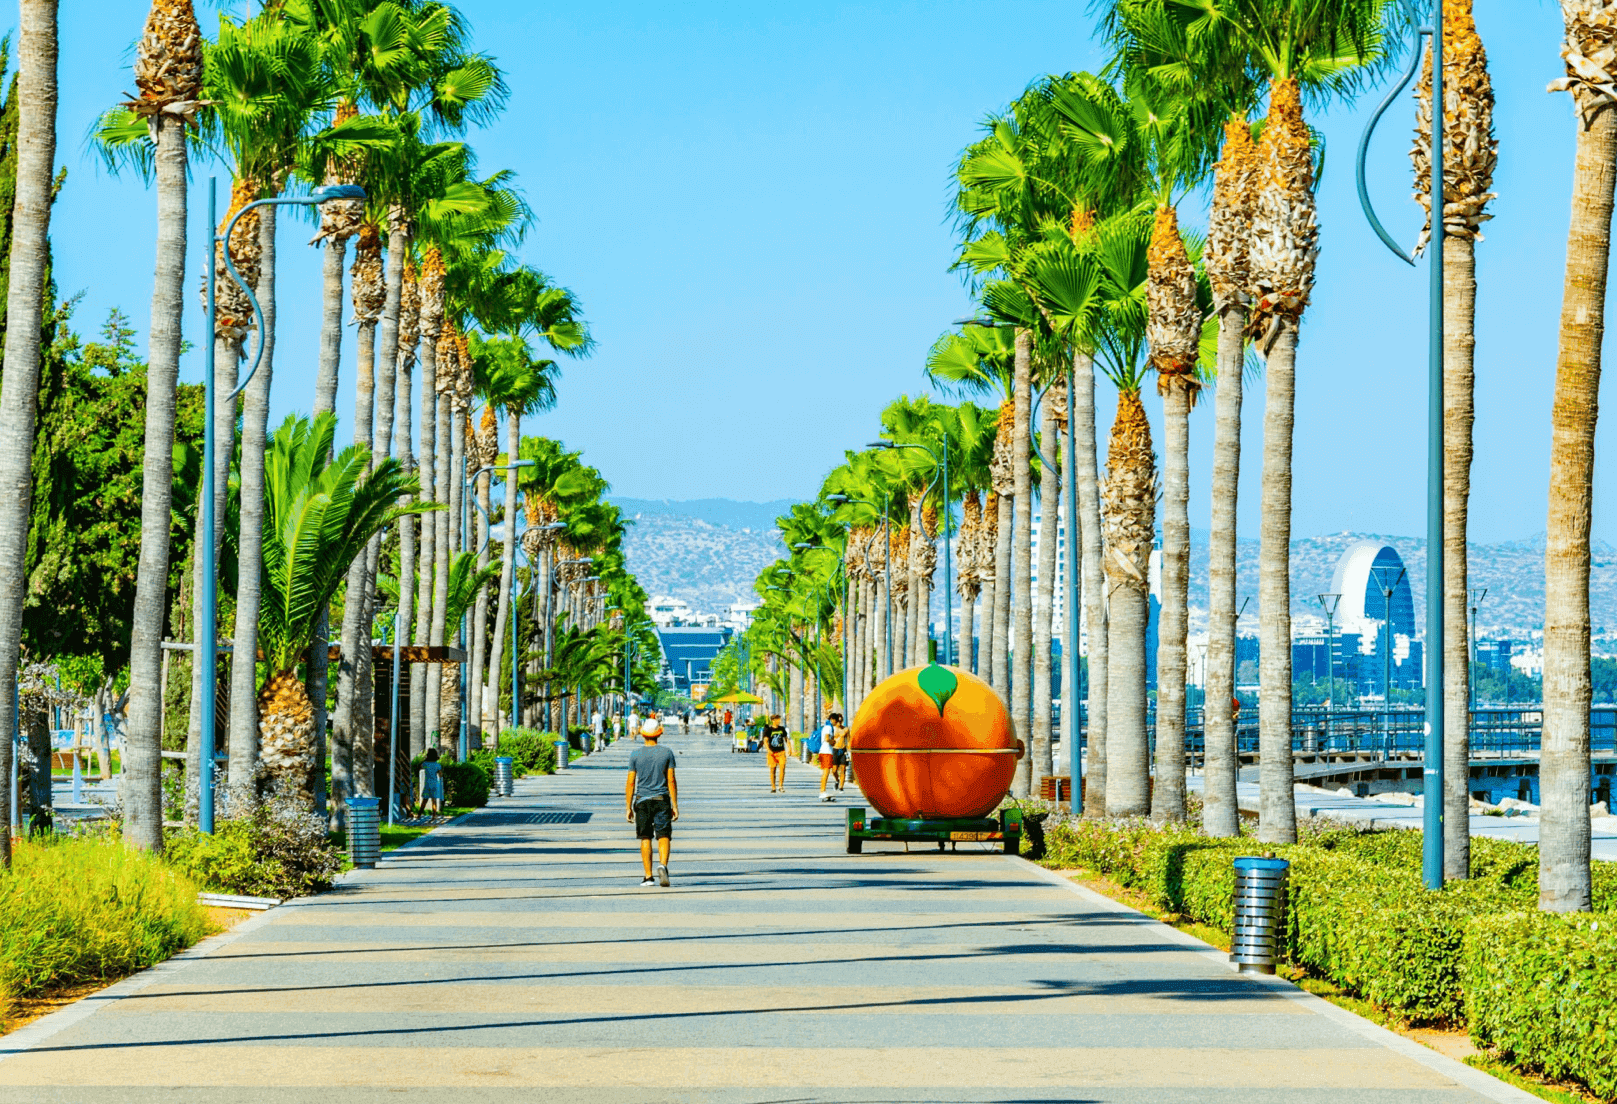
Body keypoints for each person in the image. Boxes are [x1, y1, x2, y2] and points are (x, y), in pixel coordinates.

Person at [626, 717, 678, 887]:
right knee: (664, 835)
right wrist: (675, 805)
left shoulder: (635, 754)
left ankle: (648, 876)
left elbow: (631, 782)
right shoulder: (667, 753)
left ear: (643, 734)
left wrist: (628, 807)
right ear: (659, 734)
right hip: (662, 799)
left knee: (645, 837)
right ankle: (662, 865)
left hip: (642, 800)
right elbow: (671, 780)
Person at [763, 713, 790, 792]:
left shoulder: (782, 729)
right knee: (772, 769)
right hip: (772, 753)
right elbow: (765, 741)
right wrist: (768, 750)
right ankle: (773, 787)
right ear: (773, 720)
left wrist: (790, 748)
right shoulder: (769, 730)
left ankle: (781, 786)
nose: (779, 721)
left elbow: (786, 739)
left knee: (782, 768)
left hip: (781, 752)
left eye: (779, 719)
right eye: (777, 719)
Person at [816, 714, 838, 801]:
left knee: (826, 772)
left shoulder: (827, 727)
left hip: (826, 752)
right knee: (826, 772)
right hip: (826, 752)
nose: (836, 722)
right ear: (832, 719)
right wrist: (832, 742)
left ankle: (823, 790)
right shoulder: (828, 727)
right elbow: (827, 738)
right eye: (836, 720)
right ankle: (822, 791)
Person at [829, 712, 849, 792]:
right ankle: (837, 780)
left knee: (843, 769)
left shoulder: (846, 729)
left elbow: (849, 740)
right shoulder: (833, 729)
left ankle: (841, 787)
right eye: (838, 721)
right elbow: (829, 739)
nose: (839, 722)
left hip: (843, 750)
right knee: (834, 770)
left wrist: (849, 752)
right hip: (835, 750)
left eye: (841, 720)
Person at [420, 747, 444, 815]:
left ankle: (419, 814)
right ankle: (434, 815)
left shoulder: (425, 764)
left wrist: (425, 759)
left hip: (427, 784)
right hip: (434, 784)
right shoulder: (437, 765)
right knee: (434, 800)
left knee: (424, 800)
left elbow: (420, 767)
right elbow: (440, 775)